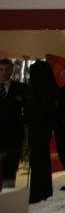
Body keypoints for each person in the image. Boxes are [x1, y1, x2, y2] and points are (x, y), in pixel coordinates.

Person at [25, 61, 58, 203]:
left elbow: (38, 111)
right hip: (44, 129)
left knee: (37, 161)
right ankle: (44, 191)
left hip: (37, 128)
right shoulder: (51, 89)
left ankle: (37, 192)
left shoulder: (38, 90)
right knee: (42, 160)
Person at [0, 58, 28, 190]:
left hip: (13, 136)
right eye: (1, 69)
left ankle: (8, 194)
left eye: (7, 69)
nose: (4, 72)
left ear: (12, 70)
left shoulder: (21, 88)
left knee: (10, 169)